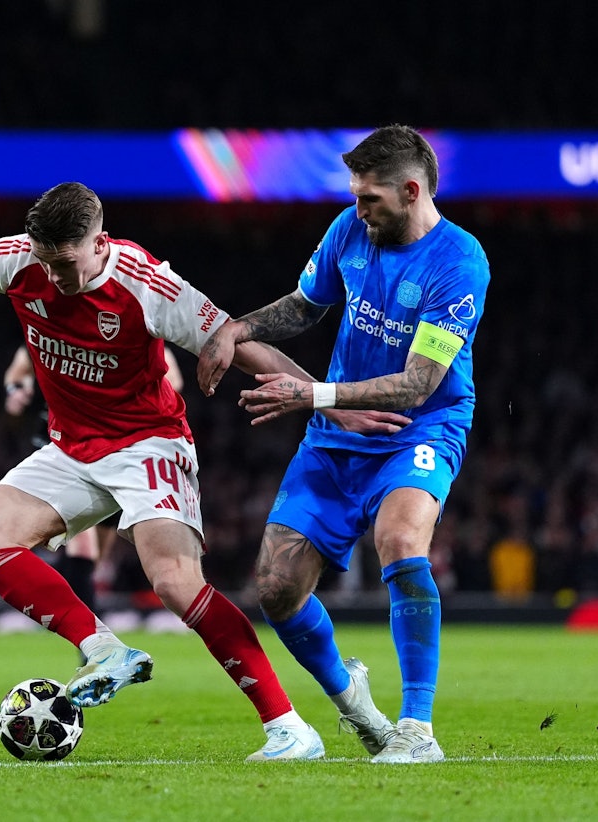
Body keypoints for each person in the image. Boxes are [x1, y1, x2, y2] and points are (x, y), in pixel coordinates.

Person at [0, 181, 333, 761]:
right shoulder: (16, 260)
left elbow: (235, 340)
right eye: (47, 261)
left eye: (67, 263)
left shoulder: (147, 283)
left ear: (98, 242)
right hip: (72, 447)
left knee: (175, 583)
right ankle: (102, 647)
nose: (56, 277)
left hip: (148, 443)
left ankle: (289, 727)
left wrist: (323, 397)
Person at [198, 124, 491, 764]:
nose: (358, 211)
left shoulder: (459, 262)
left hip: (422, 426)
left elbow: (419, 383)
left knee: (401, 540)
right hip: (336, 433)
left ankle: (418, 730)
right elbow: (305, 307)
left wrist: (313, 395)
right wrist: (236, 327)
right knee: (275, 588)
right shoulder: (349, 231)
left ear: (411, 191)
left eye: (370, 200)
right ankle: (356, 706)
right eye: (355, 197)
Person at [2, 343, 184, 613]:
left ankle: (61, 603)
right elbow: (18, 370)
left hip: (116, 458)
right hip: (64, 453)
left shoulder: (140, 345)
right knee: (83, 549)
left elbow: (173, 382)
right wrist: (16, 390)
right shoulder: (49, 337)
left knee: (93, 560)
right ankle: (92, 642)